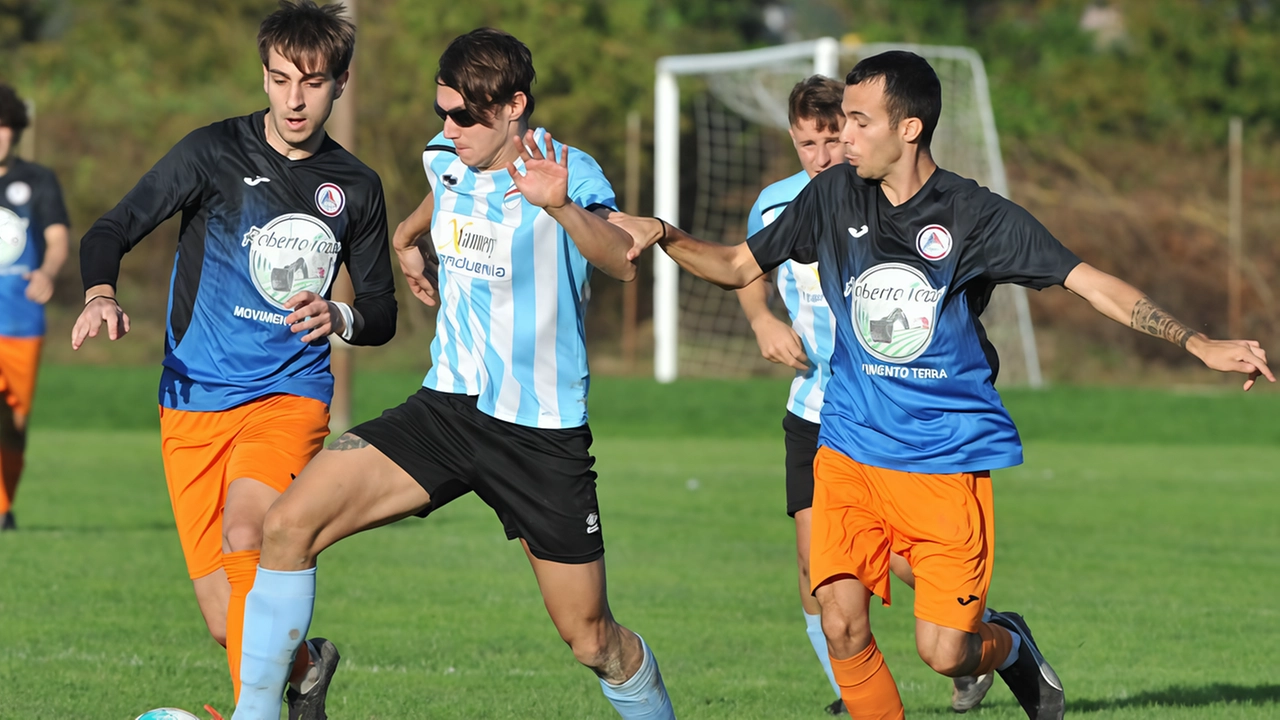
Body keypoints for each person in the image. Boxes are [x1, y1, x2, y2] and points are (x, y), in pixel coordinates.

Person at [613, 50, 1271, 720]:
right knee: (839, 623)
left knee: (946, 653)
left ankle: (1009, 647)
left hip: (943, 463)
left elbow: (1088, 281)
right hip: (847, 448)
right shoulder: (833, 195)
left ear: (909, 128)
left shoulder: (976, 215)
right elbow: (733, 265)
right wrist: (664, 233)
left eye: (860, 121)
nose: (843, 135)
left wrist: (1196, 341)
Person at [231, 28, 676, 720]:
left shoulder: (568, 170)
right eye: (443, 110)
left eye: (465, 115)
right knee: (287, 526)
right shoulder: (447, 158)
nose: (449, 126)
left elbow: (620, 258)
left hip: (538, 434)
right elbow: (443, 197)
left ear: (514, 107)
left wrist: (558, 204)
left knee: (592, 641)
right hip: (443, 411)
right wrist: (408, 241)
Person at [72, 2, 397, 715]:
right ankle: (306, 665)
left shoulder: (358, 187)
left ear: (339, 82)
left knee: (251, 530)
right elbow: (113, 226)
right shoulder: (211, 151)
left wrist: (339, 313)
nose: (293, 99)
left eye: (311, 82)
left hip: (288, 396)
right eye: (280, 79)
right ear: (264, 75)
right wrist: (99, 291)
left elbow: (381, 311)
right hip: (191, 402)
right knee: (228, 624)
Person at [735, 74, 991, 717]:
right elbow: (745, 267)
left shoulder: (892, 198)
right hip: (814, 411)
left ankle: (972, 638)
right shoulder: (776, 204)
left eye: (832, 137)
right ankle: (851, 693)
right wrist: (764, 320)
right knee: (816, 572)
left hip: (892, 417)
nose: (820, 155)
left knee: (907, 565)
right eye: (806, 142)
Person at [0, 84, 70, 532]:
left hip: (21, 320)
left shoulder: (39, 180)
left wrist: (46, 272)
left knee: (13, 424)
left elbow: (58, 240)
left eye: (3, 127)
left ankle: (3, 508)